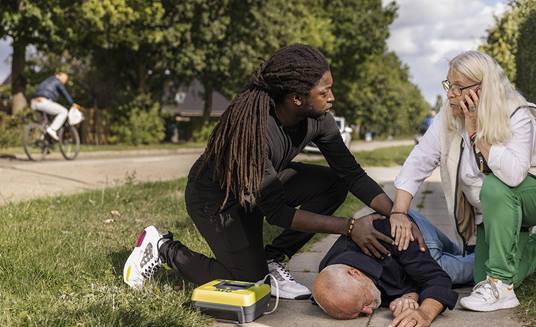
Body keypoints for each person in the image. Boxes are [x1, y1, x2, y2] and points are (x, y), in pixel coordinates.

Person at [123, 44, 425, 299]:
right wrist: (349, 227)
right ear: (296, 98)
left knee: (333, 183)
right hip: (215, 198)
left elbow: (352, 174)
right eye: (325, 92)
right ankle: (162, 248)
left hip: (255, 190)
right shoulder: (255, 131)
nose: (332, 98)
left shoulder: (319, 119)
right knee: (248, 283)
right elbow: (278, 213)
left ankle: (272, 258)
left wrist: (398, 214)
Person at [390, 50, 536, 312]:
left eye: (458, 87)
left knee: (496, 185)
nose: (450, 94)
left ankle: (501, 286)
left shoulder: (517, 113)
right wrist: (399, 211)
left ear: (482, 89)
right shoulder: (449, 115)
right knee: (480, 279)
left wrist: (477, 130)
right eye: (448, 85)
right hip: (496, 209)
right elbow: (419, 160)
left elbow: (513, 175)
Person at [312, 216, 458, 327]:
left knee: (467, 267)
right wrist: (409, 296)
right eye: (360, 313)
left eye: (363, 301)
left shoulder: (386, 235)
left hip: (414, 236)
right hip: (411, 263)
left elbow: (436, 279)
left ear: (355, 273)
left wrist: (425, 312)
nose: (369, 311)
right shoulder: (331, 282)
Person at [31, 72, 79, 141]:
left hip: (34, 102)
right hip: (44, 102)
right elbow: (64, 93)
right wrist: (72, 103)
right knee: (63, 111)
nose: (64, 81)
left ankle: (43, 141)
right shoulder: (57, 81)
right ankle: (53, 129)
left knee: (45, 124)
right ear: (57, 76)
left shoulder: (46, 81)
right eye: (64, 78)